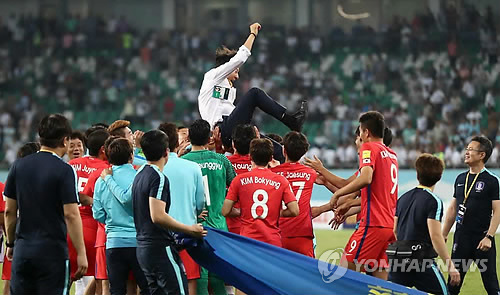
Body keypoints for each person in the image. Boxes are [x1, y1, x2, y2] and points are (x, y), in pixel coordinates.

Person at [3, 114, 88, 294]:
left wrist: (10, 244)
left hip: (23, 251)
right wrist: (81, 253)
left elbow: (10, 211)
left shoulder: (18, 166)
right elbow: (71, 214)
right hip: (52, 253)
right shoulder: (65, 170)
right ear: (65, 140)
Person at [198, 22, 307, 157]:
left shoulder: (226, 89)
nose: (237, 74)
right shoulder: (212, 76)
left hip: (235, 130)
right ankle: (291, 120)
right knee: (255, 93)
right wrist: (253, 34)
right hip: (223, 130)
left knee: (277, 151)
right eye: (235, 70)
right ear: (227, 66)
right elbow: (240, 58)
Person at [133, 130, 206, 295]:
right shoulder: (158, 178)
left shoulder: (139, 174)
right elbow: (157, 215)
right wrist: (190, 229)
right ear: (167, 151)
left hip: (142, 247)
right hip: (160, 247)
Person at [329, 111, 398, 280]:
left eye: (360, 131)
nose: (359, 136)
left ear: (366, 132)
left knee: (344, 274)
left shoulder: (369, 147)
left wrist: (338, 194)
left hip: (372, 224)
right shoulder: (392, 155)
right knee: (380, 284)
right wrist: (348, 204)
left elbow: (366, 178)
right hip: (387, 225)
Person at [389, 154, 460, 294]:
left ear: (417, 174)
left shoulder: (403, 198)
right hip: (421, 262)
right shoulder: (433, 201)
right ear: (439, 177)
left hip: (398, 259)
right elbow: (435, 236)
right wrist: (450, 266)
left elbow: (395, 230)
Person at [182, 119, 236, 295]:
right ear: (209, 138)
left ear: (189, 137)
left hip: (194, 225)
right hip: (219, 225)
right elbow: (235, 187)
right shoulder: (221, 160)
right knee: (218, 274)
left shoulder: (184, 161)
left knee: (199, 274)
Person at [442, 135, 500, 295]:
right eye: (466, 149)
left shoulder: (491, 181)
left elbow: (498, 211)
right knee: (452, 286)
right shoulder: (460, 178)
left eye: (471, 149)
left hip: (482, 240)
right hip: (461, 240)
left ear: (482, 155)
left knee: (491, 286)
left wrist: (489, 237)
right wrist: (444, 233)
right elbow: (453, 209)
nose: (466, 152)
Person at [92, 138, 149, 295]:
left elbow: (97, 214)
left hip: (114, 242)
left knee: (116, 290)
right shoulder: (139, 176)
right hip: (139, 241)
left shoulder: (101, 181)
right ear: (131, 156)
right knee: (146, 288)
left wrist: (112, 220)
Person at [222, 138, 299, 247]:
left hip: (247, 240)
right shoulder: (281, 180)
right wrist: (277, 212)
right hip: (272, 241)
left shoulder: (239, 180)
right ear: (271, 158)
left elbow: (225, 211)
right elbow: (294, 211)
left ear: (251, 157)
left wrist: (244, 211)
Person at [159, 122, 205, 295]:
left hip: (160, 236)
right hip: (187, 233)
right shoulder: (192, 167)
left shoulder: (149, 170)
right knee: (189, 284)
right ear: (176, 143)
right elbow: (200, 204)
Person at [68, 128, 110, 295]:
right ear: (103, 149)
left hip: (67, 228)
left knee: (64, 281)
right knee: (98, 283)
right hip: (93, 229)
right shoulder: (106, 169)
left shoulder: (70, 165)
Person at [1, 142, 41, 295]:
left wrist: (9, 242)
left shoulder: (13, 179)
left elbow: (8, 212)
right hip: (44, 241)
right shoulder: (47, 179)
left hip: (19, 239)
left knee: (12, 282)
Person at [270, 132, 317, 257]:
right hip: (302, 234)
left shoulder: (272, 173)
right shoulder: (311, 173)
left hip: (278, 233)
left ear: (283, 150)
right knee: (308, 274)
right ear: (304, 152)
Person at [226, 124, 258, 235]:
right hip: (254, 226)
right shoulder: (262, 164)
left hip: (229, 227)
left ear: (233, 144)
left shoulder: (223, 163)